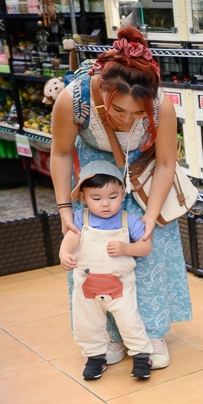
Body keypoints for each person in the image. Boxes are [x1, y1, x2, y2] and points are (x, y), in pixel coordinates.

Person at [51, 26, 192, 370]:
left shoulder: (163, 105)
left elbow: (165, 162)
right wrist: (64, 208)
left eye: (137, 115)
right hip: (98, 187)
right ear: (104, 92)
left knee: (148, 259)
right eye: (119, 112)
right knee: (96, 260)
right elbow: (60, 152)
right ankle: (108, 338)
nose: (128, 120)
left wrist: (151, 216)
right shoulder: (74, 97)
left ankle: (152, 334)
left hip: (144, 186)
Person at [59, 161, 154, 381]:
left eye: (112, 197)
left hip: (121, 287)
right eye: (96, 198)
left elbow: (146, 246)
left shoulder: (127, 220)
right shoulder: (80, 219)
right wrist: (65, 255)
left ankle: (141, 356)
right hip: (86, 288)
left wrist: (126, 248)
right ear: (83, 197)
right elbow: (70, 240)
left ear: (123, 193)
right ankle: (94, 357)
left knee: (130, 320)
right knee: (87, 324)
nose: (105, 204)